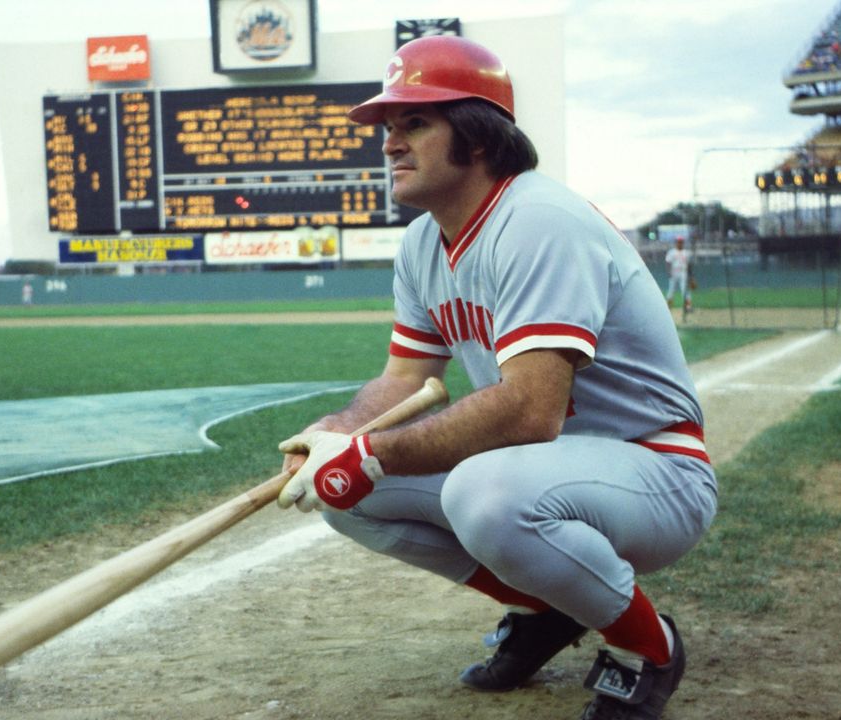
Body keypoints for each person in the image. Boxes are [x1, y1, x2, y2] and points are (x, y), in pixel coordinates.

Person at [275, 36, 716, 720]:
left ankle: (647, 650)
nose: (390, 143)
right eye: (389, 128)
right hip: (548, 466)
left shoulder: (535, 219)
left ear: (478, 138)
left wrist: (369, 452)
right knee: (349, 498)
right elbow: (404, 377)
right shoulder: (425, 241)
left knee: (485, 492)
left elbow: (531, 412)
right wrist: (333, 434)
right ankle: (547, 610)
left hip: (654, 470)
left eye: (414, 124)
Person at [664, 237, 693, 312]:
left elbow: (689, 265)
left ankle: (688, 307)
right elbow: (668, 263)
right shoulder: (672, 252)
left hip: (683, 272)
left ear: (683, 243)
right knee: (671, 290)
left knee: (685, 290)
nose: (680, 243)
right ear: (676, 243)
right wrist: (669, 272)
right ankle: (668, 307)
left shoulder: (686, 253)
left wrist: (691, 276)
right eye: (678, 242)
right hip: (674, 272)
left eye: (681, 242)